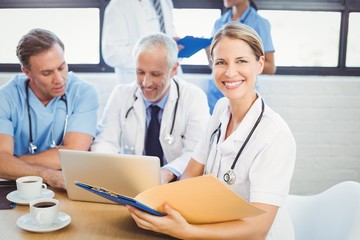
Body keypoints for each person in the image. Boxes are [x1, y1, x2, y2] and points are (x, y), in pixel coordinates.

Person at [127, 22, 296, 240]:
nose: (230, 72)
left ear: (260, 63)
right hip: (210, 228)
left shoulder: (275, 135)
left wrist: (186, 231)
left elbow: (258, 228)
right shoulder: (220, 109)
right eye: (221, 62)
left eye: (241, 61)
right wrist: (161, 208)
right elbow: (191, 173)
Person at [91, 33, 210, 184]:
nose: (146, 83)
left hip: (176, 183)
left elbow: (196, 152)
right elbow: (105, 141)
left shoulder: (193, 97)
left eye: (155, 74)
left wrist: (166, 173)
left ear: (173, 69)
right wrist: (103, 165)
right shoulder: (121, 95)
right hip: (130, 182)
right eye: (140, 72)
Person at [0, 28, 99, 189]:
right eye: (47, 73)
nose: (59, 79)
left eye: (61, 67)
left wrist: (14, 163)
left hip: (65, 182)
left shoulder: (83, 92)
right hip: (16, 185)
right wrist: (45, 174)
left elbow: (74, 153)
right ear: (27, 72)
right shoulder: (5, 97)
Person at [207, 0, 276, 113]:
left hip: (241, 91)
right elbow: (213, 64)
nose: (230, 72)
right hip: (215, 93)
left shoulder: (260, 23)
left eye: (242, 61)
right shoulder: (219, 23)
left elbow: (271, 67)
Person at [102, 0, 181, 84]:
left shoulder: (165, 2)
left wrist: (173, 46)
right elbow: (112, 54)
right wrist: (154, 56)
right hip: (138, 85)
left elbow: (167, 36)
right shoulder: (118, 4)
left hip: (171, 81)